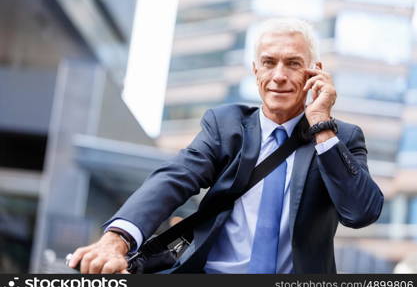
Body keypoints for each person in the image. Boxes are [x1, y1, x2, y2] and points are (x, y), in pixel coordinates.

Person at [69, 18, 384, 274]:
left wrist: (321, 126)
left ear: (314, 71)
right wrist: (117, 239)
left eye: (292, 63)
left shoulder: (341, 136)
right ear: (255, 70)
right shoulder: (226, 125)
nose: (279, 76)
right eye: (269, 62)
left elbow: (360, 212)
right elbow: (174, 178)